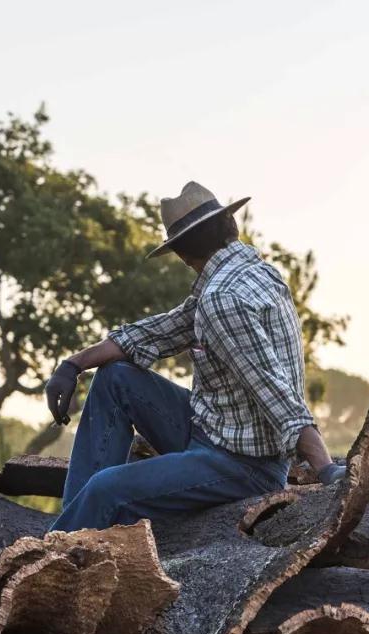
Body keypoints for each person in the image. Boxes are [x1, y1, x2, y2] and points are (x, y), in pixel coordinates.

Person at [44, 181, 343, 532]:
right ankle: (78, 526)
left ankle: (59, 550)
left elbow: (275, 393)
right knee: (114, 378)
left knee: (105, 488)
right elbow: (159, 331)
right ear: (230, 227)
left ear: (184, 255)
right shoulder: (253, 276)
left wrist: (325, 468)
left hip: (243, 467)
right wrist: (73, 365)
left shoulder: (222, 299)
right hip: (212, 429)